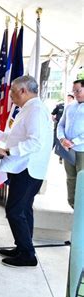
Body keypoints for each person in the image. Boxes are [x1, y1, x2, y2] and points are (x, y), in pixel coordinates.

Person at [0, 75, 53, 267]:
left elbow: (35, 142)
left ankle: (27, 255)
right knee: (24, 210)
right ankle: (23, 247)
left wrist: (7, 150)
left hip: (27, 169)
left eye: (13, 91)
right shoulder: (28, 109)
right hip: (25, 167)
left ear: (23, 90)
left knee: (14, 211)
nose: (10, 95)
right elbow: (16, 137)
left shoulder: (35, 110)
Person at [57, 79, 84, 209]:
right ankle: (73, 204)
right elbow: (61, 125)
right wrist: (62, 139)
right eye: (74, 91)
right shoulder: (70, 106)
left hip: (81, 150)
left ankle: (81, 208)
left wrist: (74, 142)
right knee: (70, 177)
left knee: (82, 179)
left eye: (78, 90)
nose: (75, 93)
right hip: (68, 150)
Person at [52, 93, 75, 163]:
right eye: (68, 97)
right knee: (55, 139)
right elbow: (52, 113)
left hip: (68, 128)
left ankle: (61, 157)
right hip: (59, 126)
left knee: (65, 142)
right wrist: (55, 120)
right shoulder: (60, 106)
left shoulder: (74, 108)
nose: (69, 99)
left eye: (70, 98)